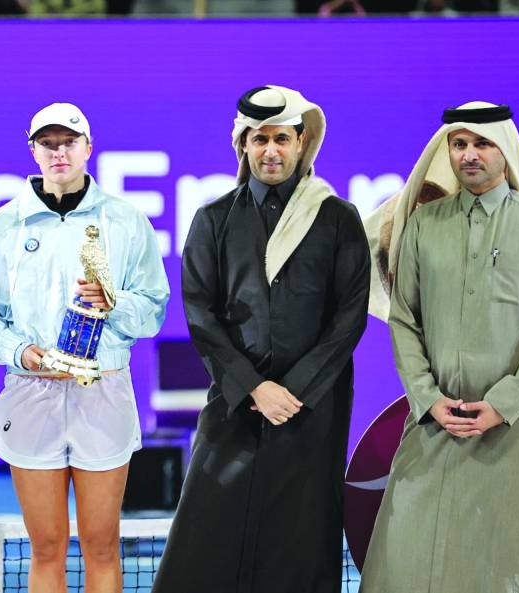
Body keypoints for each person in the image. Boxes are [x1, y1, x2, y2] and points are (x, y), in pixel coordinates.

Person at [153, 86, 370, 593]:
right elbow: (200, 314)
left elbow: (349, 317)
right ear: (243, 146)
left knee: (302, 537)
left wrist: (293, 392)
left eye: (281, 139)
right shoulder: (213, 218)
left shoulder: (337, 218)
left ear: (301, 143)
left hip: (312, 408)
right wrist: (255, 388)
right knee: (207, 536)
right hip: (235, 402)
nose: (270, 150)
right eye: (259, 139)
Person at [359, 102, 519, 593]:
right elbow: (404, 321)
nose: (469, 155)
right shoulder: (423, 225)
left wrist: (501, 405)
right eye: (459, 144)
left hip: (516, 431)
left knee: (509, 565)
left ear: (506, 151)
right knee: (403, 565)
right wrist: (428, 399)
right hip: (435, 425)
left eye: (482, 143)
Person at [0, 103, 169, 593]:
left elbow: (154, 306)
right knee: (47, 547)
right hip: (32, 391)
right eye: (48, 143)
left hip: (104, 390)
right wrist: (19, 351)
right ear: (32, 151)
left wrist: (112, 303)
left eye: (68, 142)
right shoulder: (4, 225)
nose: (59, 152)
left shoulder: (125, 221)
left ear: (88, 149)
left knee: (102, 544)